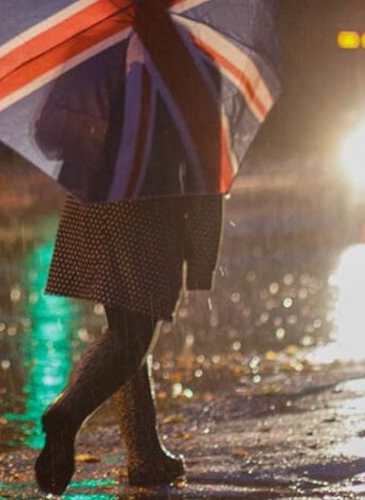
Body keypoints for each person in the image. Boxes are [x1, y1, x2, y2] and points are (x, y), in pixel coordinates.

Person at [33, 194, 223, 494]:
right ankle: (68, 412)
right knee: (134, 334)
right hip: (148, 210)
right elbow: (206, 178)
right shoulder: (169, 144)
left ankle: (144, 454)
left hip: (97, 201)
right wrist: (201, 262)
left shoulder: (120, 143)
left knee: (127, 330)